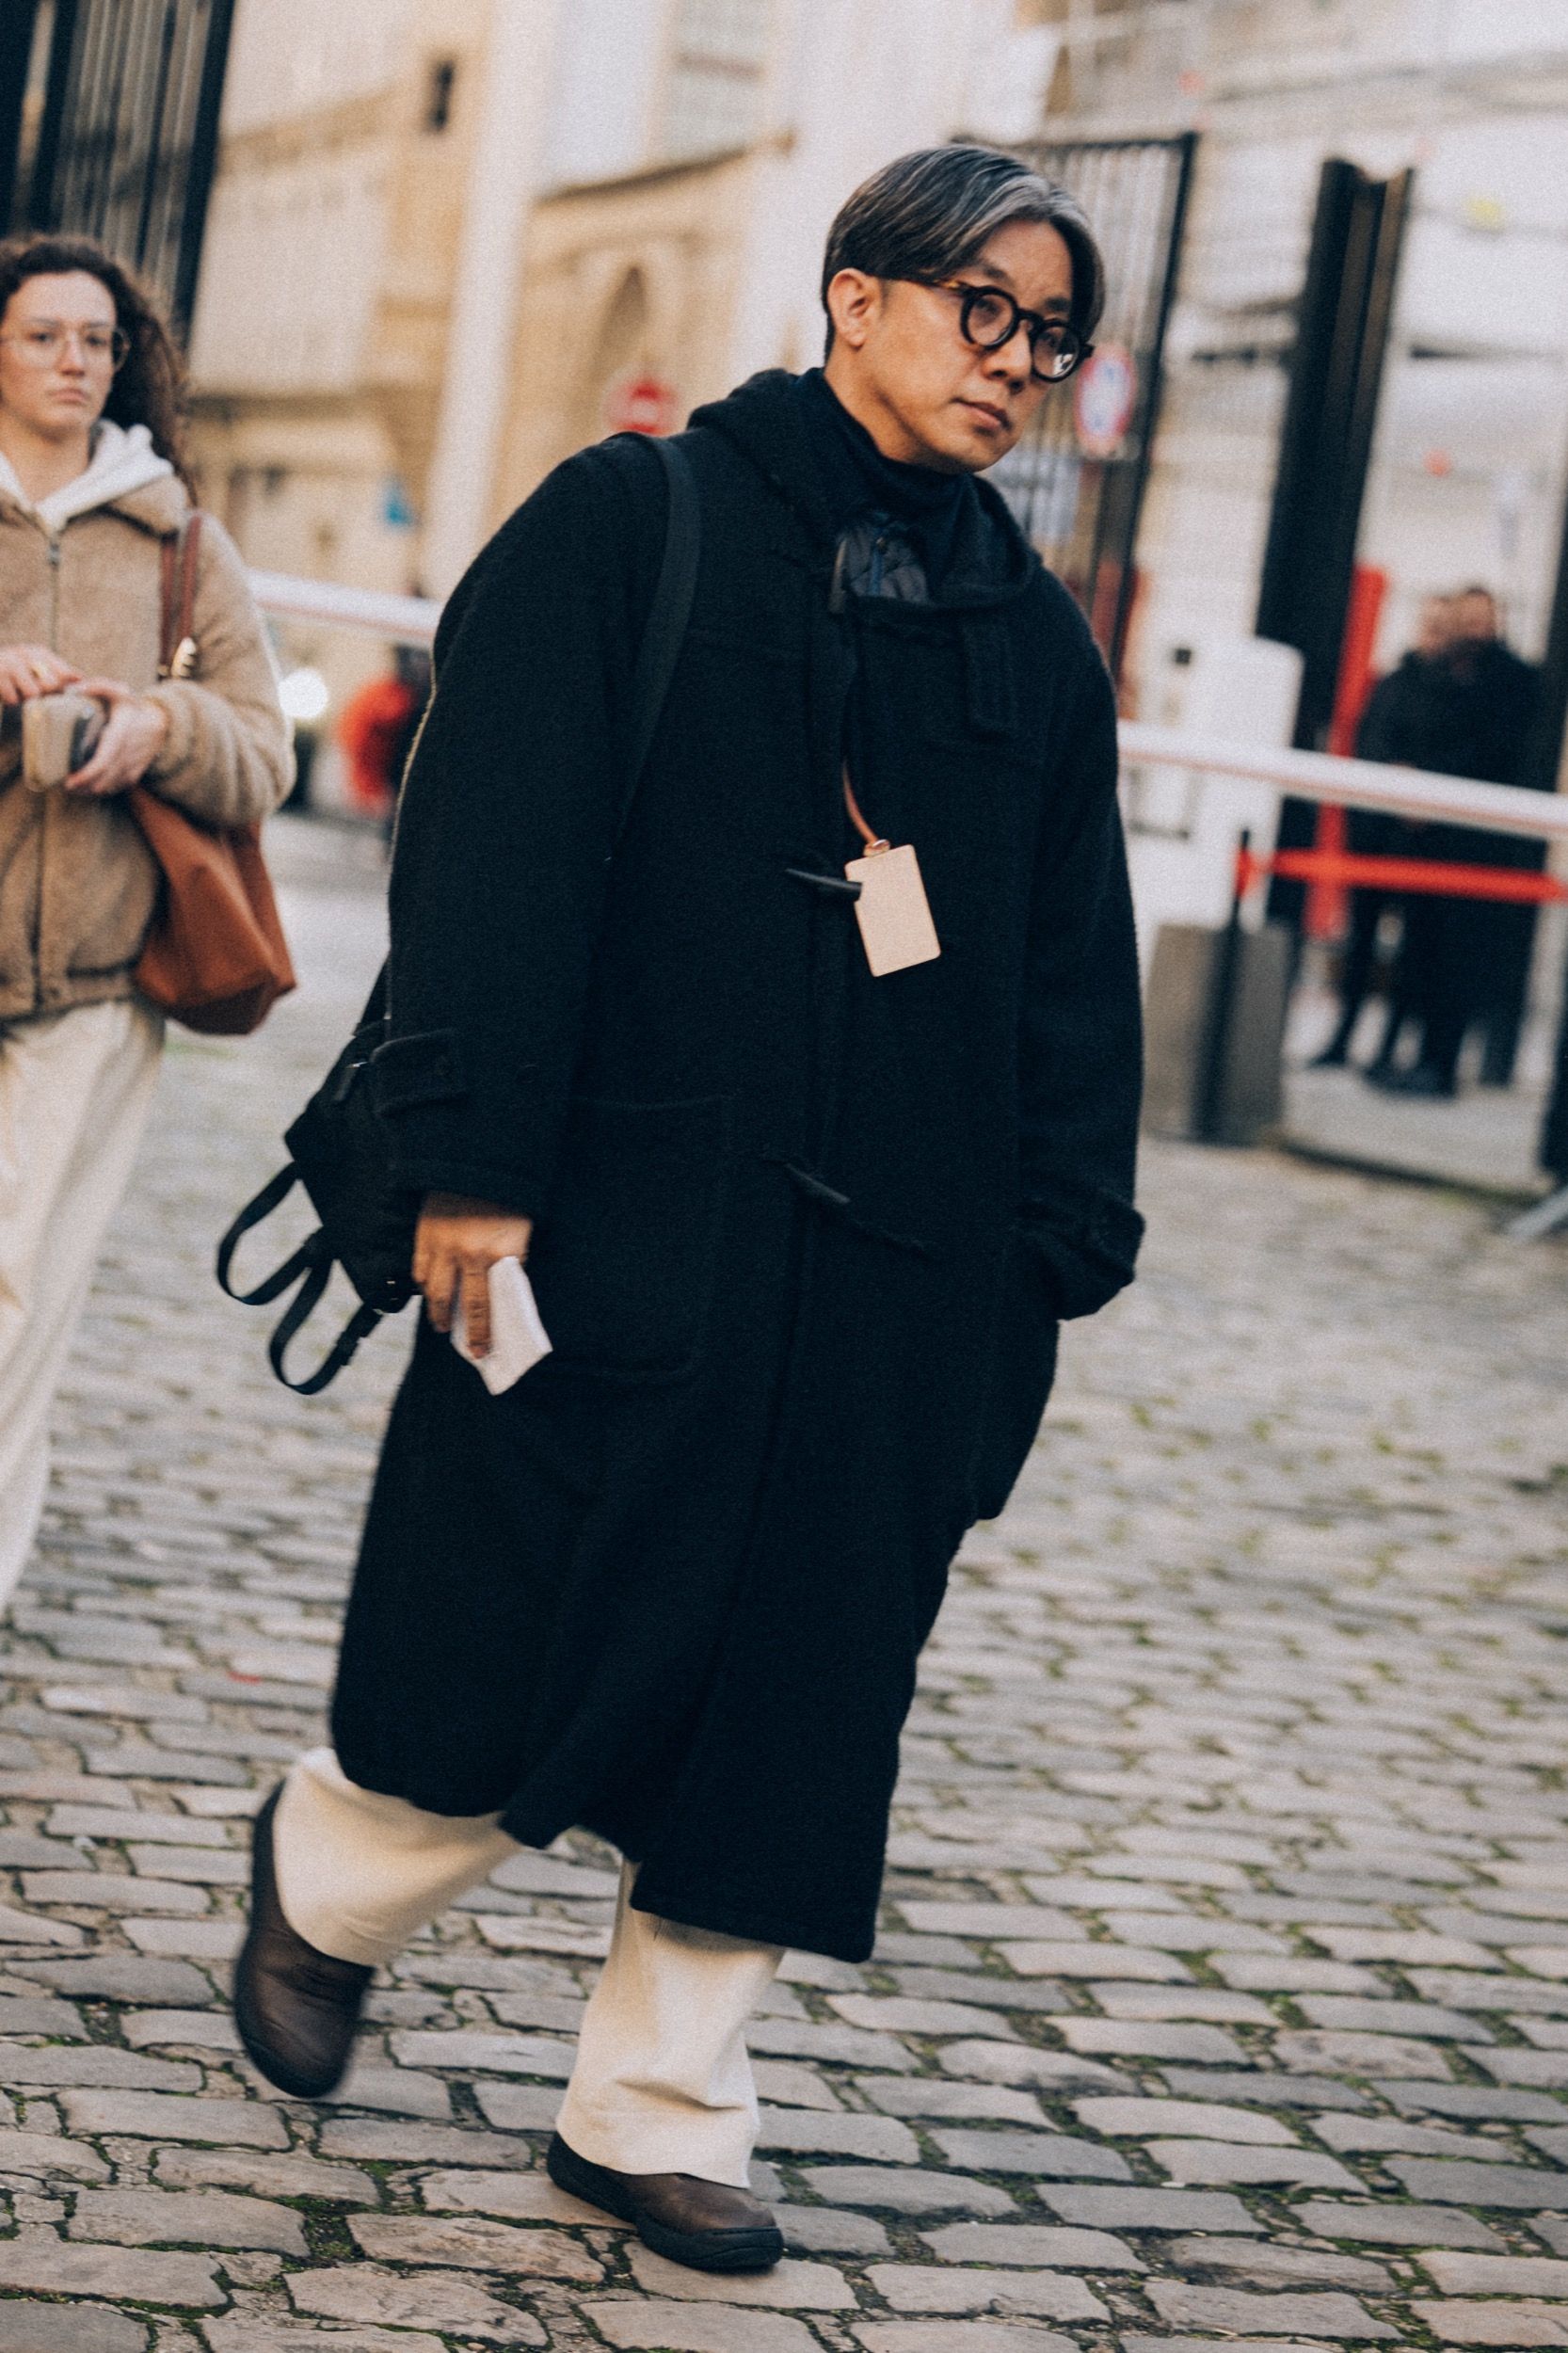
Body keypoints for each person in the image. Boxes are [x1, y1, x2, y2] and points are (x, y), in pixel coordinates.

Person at [232, 146, 1144, 2274]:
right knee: (508, 1642)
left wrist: (1048, 1245)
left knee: (801, 1704)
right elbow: (494, 857)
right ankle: (328, 1880)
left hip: (899, 1272)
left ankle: (655, 2106)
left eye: (1049, 336)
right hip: (613, 1220)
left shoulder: (1031, 638)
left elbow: (1069, 968)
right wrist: (474, 1166)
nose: (1013, 362)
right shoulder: (632, 521)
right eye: (981, 309)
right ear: (855, 293)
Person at [0, 234, 290, 1602]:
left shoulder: (180, 537)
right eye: (44, 335)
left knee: (22, 1290)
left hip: (98, 984)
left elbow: (262, 752)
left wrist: (159, 726)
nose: (75, 361)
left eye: (98, 341)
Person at [1380, 585, 1541, 1097]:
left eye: (1480, 618)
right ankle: (1414, 1058)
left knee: (1458, 961)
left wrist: (1429, 781)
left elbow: (1496, 753)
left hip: (1475, 846)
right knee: (1418, 955)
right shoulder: (1435, 672)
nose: (1471, 628)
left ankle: (1442, 1063)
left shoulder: (1511, 681)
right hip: (1427, 841)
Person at [1309, 593, 1453, 1074]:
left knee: (1412, 951)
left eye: (1442, 626)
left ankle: (1389, 1049)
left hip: (1420, 840)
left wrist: (1419, 790)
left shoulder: (1451, 694)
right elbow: (1366, 742)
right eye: (1429, 624)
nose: (1434, 635)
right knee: (1360, 942)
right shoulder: (1393, 683)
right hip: (1376, 833)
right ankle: (1342, 1038)